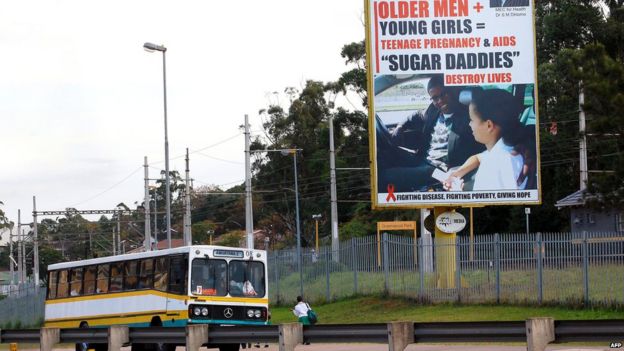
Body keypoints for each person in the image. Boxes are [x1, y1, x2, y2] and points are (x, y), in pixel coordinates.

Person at [382, 74, 484, 191]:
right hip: (423, 160)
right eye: (435, 98)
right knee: (388, 152)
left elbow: (480, 151)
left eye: (444, 94)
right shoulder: (433, 110)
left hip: (440, 171)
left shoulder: (468, 119)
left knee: (386, 176)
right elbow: (416, 115)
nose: (440, 100)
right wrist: (400, 127)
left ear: (452, 91)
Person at [443, 89, 528, 191]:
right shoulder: (506, 149)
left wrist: (457, 192)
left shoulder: (495, 166)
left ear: (489, 125)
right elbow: (479, 157)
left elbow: (489, 206)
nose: (469, 124)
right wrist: (457, 173)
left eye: (472, 120)